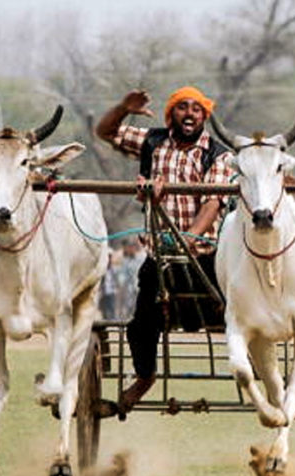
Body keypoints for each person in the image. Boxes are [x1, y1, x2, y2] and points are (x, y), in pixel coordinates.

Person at [96, 86, 235, 411]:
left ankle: (256, 365)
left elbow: (213, 201)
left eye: (196, 109)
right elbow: (105, 131)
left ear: (205, 116)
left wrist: (189, 239)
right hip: (160, 259)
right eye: (182, 108)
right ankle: (144, 378)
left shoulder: (218, 154)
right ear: (171, 114)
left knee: (241, 316)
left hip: (206, 259)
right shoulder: (152, 142)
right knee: (140, 326)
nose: (189, 114)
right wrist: (122, 107)